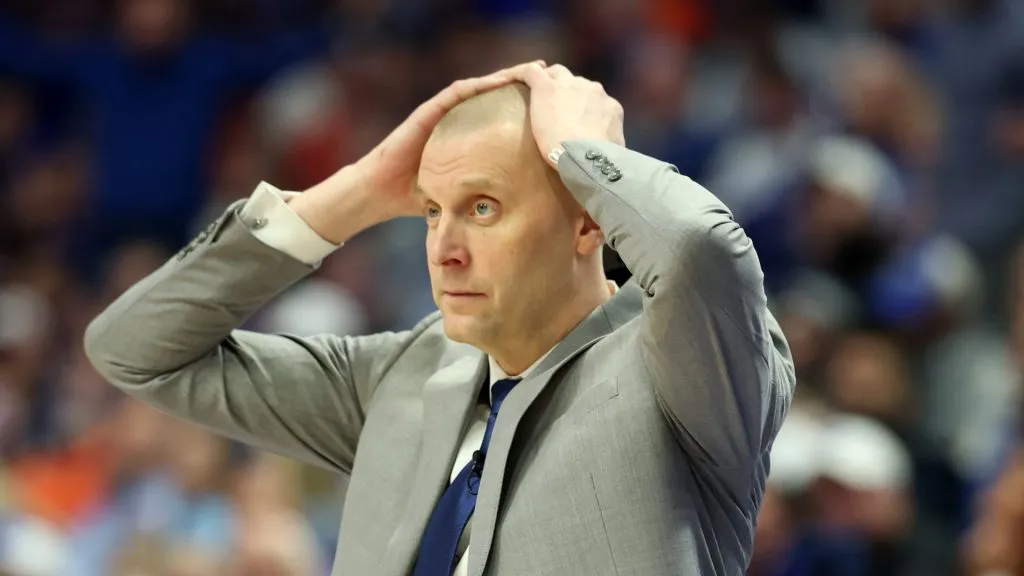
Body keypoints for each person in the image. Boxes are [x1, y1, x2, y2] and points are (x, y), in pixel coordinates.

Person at [84, 61, 796, 576]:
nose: (444, 250)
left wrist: (594, 157)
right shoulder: (400, 376)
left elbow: (701, 249)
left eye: (482, 208)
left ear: (587, 222)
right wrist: (353, 195)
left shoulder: (685, 366)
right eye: (432, 212)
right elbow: (135, 350)